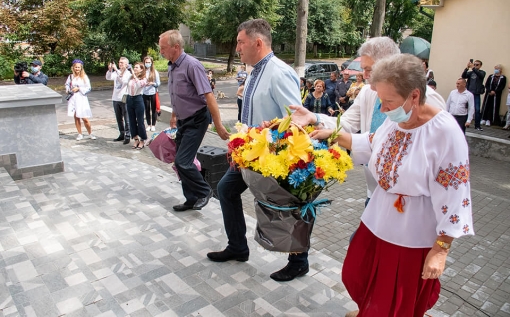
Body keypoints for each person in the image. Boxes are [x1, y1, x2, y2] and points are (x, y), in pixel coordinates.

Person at [310, 54, 474, 316]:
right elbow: (374, 143)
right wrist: (336, 135)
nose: (383, 110)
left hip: (410, 232)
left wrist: (440, 249)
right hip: (377, 218)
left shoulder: (445, 133)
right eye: (381, 102)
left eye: (388, 102)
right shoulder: (396, 118)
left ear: (415, 95)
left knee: (395, 297)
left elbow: (456, 193)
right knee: (356, 273)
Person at [290, 36, 445, 217]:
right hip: (374, 194)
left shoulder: (430, 103)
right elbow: (348, 125)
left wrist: (442, 239)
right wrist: (313, 118)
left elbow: (442, 167)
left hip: (411, 202)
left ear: (390, 65)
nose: (364, 75)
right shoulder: (367, 92)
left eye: (368, 69)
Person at [206, 19, 306, 283]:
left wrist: (273, 143)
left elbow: (296, 119)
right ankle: (238, 247)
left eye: (240, 42)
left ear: (257, 43)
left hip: (272, 157)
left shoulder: (279, 72)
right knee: (226, 190)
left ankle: (299, 261)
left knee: (287, 207)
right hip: (249, 154)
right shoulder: (253, 71)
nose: (237, 48)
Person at [159, 29, 228, 211]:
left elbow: (209, 96)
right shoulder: (172, 66)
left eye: (163, 48)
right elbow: (176, 95)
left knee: (184, 161)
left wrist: (218, 125)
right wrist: (174, 116)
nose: (161, 52)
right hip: (183, 120)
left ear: (176, 47)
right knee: (179, 162)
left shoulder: (192, 65)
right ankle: (191, 199)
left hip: (197, 119)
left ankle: (205, 191)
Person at [65, 59, 95, 140]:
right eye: (76, 67)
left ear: (81, 68)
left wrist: (79, 88)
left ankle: (90, 133)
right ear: (73, 68)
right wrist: (68, 90)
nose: (77, 69)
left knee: (84, 117)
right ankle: (80, 133)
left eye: (78, 67)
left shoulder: (84, 77)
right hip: (73, 98)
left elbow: (88, 88)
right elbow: (67, 85)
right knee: (76, 116)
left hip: (81, 98)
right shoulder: (70, 76)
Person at [106, 57, 132, 145]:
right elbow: (108, 77)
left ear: (126, 64)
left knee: (127, 118)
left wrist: (116, 69)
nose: (120, 64)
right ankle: (121, 133)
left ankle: (128, 135)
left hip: (124, 97)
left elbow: (123, 81)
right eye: (119, 62)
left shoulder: (128, 74)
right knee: (118, 118)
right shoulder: (116, 72)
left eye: (122, 63)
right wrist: (110, 70)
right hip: (115, 98)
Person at [126, 62, 148, 150]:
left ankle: (142, 139)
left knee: (140, 120)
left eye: (136, 67)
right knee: (131, 120)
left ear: (141, 69)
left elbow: (139, 85)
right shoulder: (130, 77)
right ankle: (135, 138)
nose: (134, 69)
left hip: (138, 99)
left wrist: (134, 76)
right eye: (134, 67)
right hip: (130, 98)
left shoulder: (144, 79)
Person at [462, 59, 486, 131]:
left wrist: (473, 68)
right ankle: (466, 122)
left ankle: (477, 125)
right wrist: (467, 68)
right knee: (466, 108)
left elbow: (480, 76)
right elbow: (463, 76)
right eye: (474, 64)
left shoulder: (482, 72)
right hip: (469, 93)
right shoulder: (470, 73)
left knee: (477, 109)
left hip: (476, 93)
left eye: (477, 65)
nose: (475, 66)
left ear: (480, 66)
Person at [142, 56, 161, 132]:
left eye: (149, 62)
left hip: (153, 92)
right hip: (145, 92)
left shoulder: (154, 72)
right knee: (146, 109)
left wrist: (152, 83)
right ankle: (148, 124)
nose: (147, 64)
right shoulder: (142, 72)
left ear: (151, 63)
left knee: (154, 109)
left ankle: (153, 125)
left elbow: (158, 83)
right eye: (146, 62)